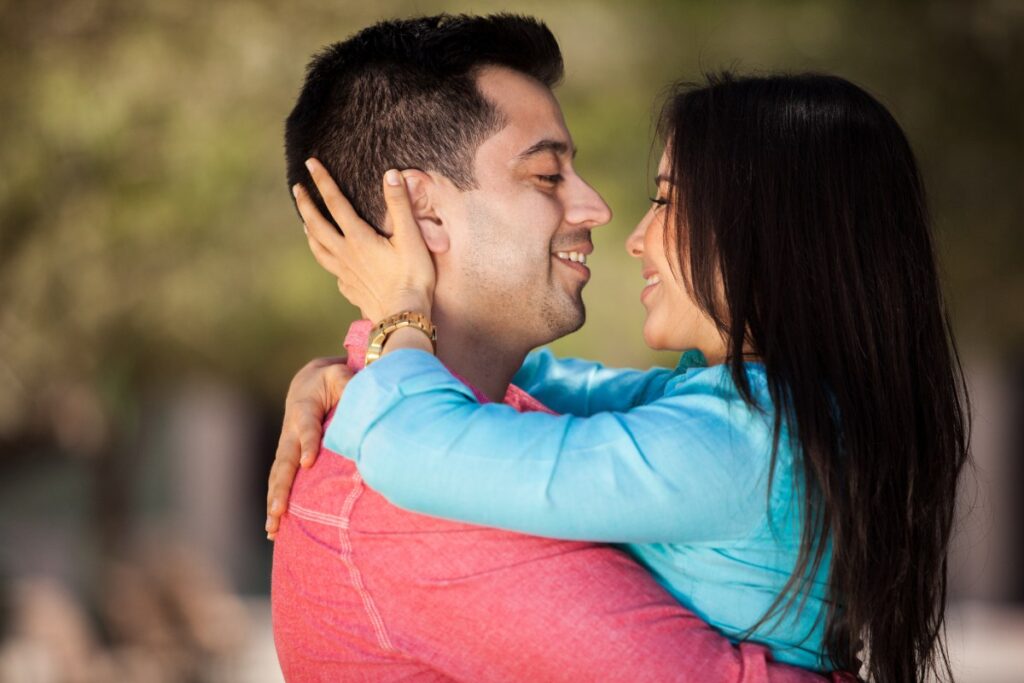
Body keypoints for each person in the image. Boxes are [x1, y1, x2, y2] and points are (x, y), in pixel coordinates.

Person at [274, 70, 970, 682]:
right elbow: (556, 387)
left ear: (770, 229)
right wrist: (352, 364)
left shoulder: (735, 443)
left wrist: (397, 315)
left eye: (667, 201)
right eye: (548, 177)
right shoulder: (769, 413)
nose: (630, 233)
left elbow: (414, 448)